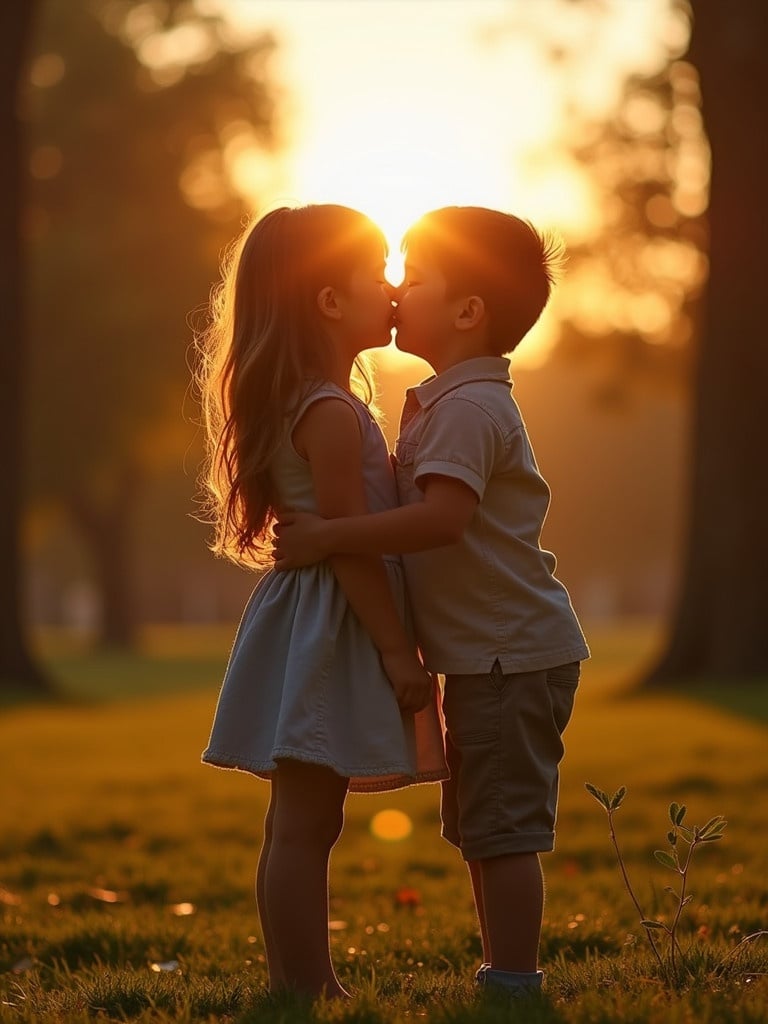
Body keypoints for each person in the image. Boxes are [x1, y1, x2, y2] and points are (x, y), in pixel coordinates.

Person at [273, 206, 590, 997]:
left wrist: (331, 537)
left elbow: (445, 522)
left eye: (413, 277)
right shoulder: (448, 402)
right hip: (489, 655)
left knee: (505, 829)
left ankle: (514, 980)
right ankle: (503, 972)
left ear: (467, 312)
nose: (396, 290)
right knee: (483, 828)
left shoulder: (469, 410)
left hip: (512, 654)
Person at [196, 204, 447, 1000]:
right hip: (335, 620)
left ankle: (297, 982)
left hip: (305, 612)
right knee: (307, 823)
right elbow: (348, 544)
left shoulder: (301, 401)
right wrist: (396, 655)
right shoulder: (332, 414)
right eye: (375, 273)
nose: (393, 287)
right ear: (330, 303)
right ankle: (304, 987)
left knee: (298, 821)